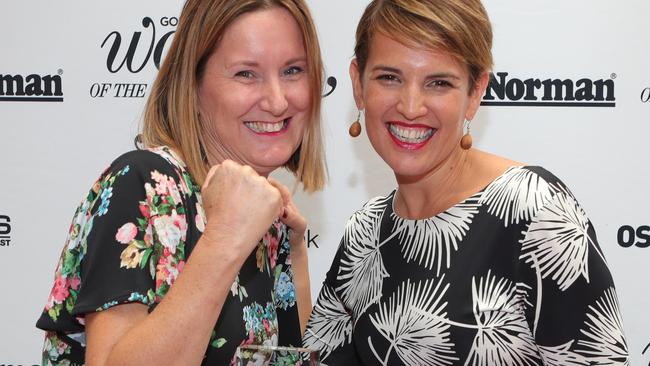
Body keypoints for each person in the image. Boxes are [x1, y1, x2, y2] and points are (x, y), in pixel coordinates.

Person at [304, 0, 629, 365]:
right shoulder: (364, 233)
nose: (411, 106)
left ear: (475, 93)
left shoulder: (533, 211)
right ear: (358, 85)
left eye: (439, 83)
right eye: (389, 77)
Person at [36, 0, 326, 364]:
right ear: (194, 81)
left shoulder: (269, 216)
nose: (277, 100)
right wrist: (225, 238)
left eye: (293, 70)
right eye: (246, 74)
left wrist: (294, 251)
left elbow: (291, 358)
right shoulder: (144, 186)